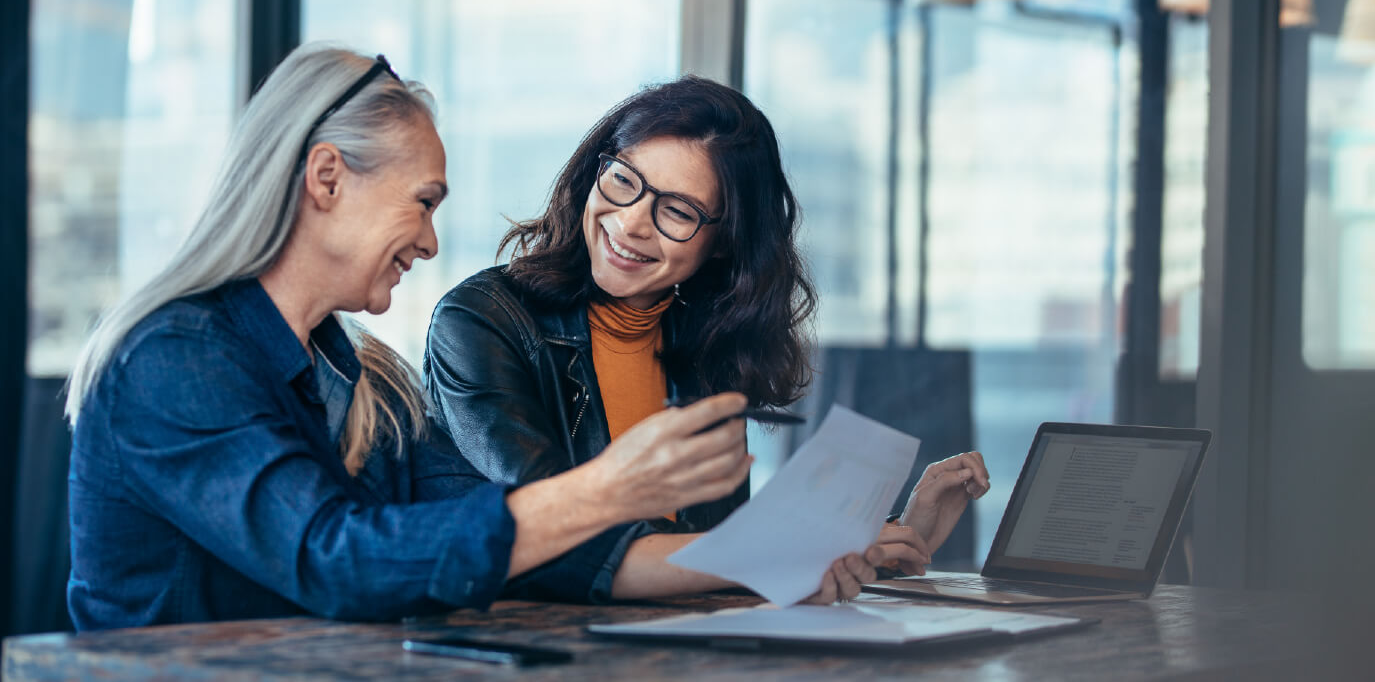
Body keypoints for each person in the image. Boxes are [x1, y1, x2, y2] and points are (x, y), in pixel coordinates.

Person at [64, 46, 883, 631]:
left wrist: (788, 560)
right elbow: (333, 559)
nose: (428, 240)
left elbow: (515, 541)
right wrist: (603, 491)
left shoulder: (359, 372)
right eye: (422, 201)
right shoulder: (174, 358)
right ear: (325, 179)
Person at [423, 75, 990, 576]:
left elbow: (717, 557)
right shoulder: (481, 321)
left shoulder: (707, 345)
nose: (630, 223)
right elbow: (550, 536)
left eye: (677, 211)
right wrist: (785, 553)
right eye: (624, 180)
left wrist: (890, 539)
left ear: (724, 245)